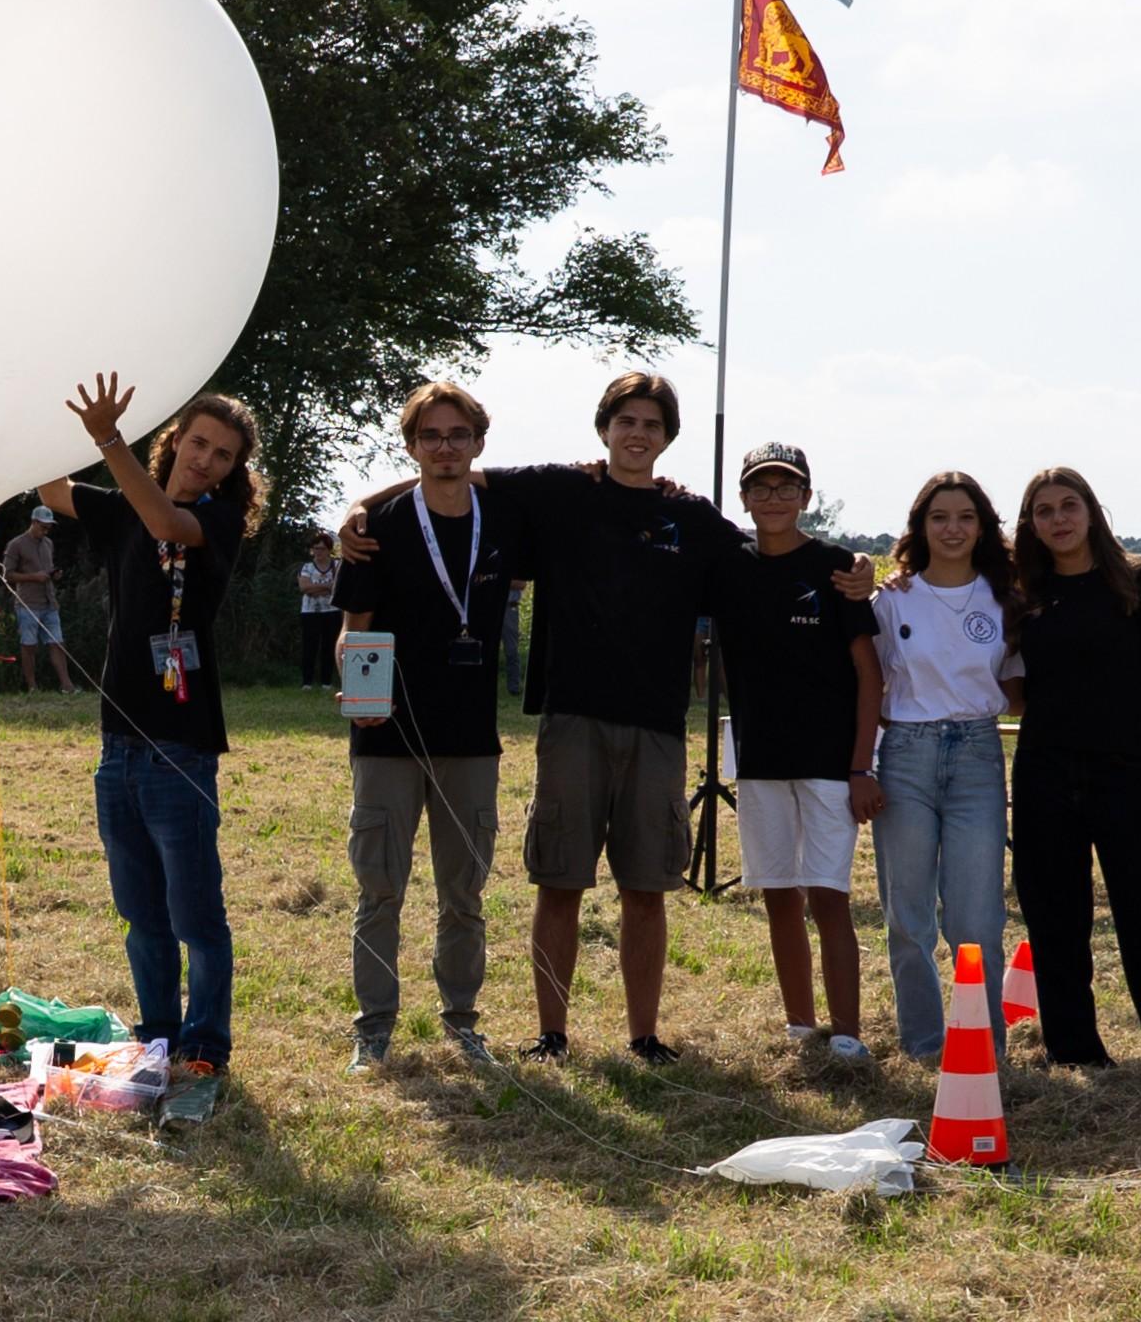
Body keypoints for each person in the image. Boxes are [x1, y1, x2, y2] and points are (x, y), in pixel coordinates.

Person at [339, 371, 872, 1064]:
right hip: (570, 721)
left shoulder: (694, 520)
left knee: (645, 887)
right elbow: (454, 476)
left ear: (666, 438)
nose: (637, 434)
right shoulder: (562, 489)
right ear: (604, 430)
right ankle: (551, 1033)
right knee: (558, 880)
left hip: (655, 726)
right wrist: (356, 505)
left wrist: (857, 565)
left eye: (651, 425)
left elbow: (773, 548)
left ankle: (643, 1034)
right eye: (625, 422)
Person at [40, 374, 262, 1074]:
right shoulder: (118, 509)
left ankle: (205, 1044)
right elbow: (49, 491)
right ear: (173, 441)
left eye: (223, 455)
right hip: (118, 748)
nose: (205, 459)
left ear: (232, 472)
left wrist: (108, 439)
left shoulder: (217, 523)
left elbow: (167, 523)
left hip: (180, 751)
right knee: (141, 915)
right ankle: (158, 1035)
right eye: (198, 442)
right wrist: (29, 405)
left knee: (196, 915)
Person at [331, 382, 517, 1073]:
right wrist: (360, 698)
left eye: (457, 435)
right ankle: (373, 1027)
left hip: (470, 739)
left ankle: (461, 1021)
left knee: (463, 894)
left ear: (477, 444)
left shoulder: (501, 520)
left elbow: (580, 493)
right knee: (379, 890)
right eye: (430, 436)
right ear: (410, 446)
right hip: (386, 739)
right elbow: (354, 633)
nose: (444, 447)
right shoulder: (377, 529)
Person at [1009, 467, 1141, 1067]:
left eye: (1069, 506)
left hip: (1128, 780)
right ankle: (1075, 1053)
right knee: (1054, 920)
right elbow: (1017, 690)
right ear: (1030, 524)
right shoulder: (1025, 596)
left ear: (1092, 512)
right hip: (1043, 777)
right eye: (1044, 511)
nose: (1058, 519)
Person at [714, 443, 880, 1062]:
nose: (774, 499)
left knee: (828, 893)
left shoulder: (837, 567)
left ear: (807, 496)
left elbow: (870, 674)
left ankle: (847, 1032)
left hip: (830, 764)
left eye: (787, 488)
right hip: (759, 758)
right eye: (761, 489)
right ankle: (797, 1024)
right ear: (745, 500)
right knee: (779, 892)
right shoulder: (729, 566)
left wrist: (861, 766)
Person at [867, 471, 1023, 1062]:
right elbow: (869, 679)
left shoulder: (1004, 597)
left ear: (981, 526)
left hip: (978, 754)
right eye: (939, 518)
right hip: (905, 751)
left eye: (964, 517)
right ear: (920, 527)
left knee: (977, 917)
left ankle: (981, 1045)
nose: (952, 529)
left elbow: (1017, 684)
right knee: (908, 914)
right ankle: (925, 1044)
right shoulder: (893, 598)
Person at [3, 507, 76, 693]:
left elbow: (47, 569)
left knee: (58, 643)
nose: (46, 531)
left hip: (50, 602)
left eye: (48, 528)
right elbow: (8, 575)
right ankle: (32, 687)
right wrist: (34, 577)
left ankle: (67, 686)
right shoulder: (16, 544)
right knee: (29, 646)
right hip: (27, 604)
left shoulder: (48, 543)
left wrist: (54, 575)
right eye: (43, 527)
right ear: (33, 522)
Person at [297, 535, 341, 689]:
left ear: (329, 549)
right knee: (310, 646)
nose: (318, 552)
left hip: (332, 611)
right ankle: (307, 682)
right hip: (310, 612)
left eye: (322, 548)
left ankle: (326, 682)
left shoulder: (337, 565)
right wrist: (327, 586)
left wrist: (316, 588)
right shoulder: (306, 567)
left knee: (329, 646)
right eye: (315, 548)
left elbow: (339, 587)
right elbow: (304, 588)